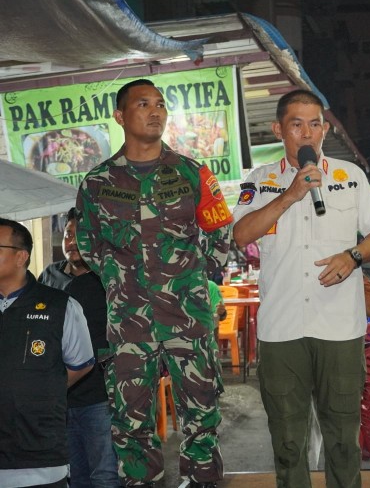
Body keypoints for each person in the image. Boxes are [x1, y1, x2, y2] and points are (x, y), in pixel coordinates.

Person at [76, 78, 233, 488]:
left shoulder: (192, 173)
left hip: (189, 318)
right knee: (130, 423)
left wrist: (188, 280)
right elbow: (89, 247)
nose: (155, 111)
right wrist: (122, 281)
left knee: (201, 418)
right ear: (120, 116)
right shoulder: (97, 183)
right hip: (129, 322)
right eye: (143, 103)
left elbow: (220, 239)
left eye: (161, 104)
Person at [232, 89, 370, 487]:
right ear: (278, 129)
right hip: (281, 328)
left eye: (315, 123)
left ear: (325, 129)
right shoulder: (259, 180)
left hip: (339, 327)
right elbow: (242, 233)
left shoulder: (349, 177)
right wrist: (291, 194)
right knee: (287, 440)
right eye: (296, 124)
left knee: (343, 440)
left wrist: (353, 256)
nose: (307, 133)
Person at [0, 218, 95, 488]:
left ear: (21, 257)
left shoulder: (60, 306)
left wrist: (40, 389)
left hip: (40, 458)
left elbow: (81, 364)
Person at [38, 208, 120, 488]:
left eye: (80, 236)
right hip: (59, 397)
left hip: (101, 397)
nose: (71, 242)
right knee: (75, 476)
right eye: (69, 234)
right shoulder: (50, 275)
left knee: (105, 474)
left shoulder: (109, 279)